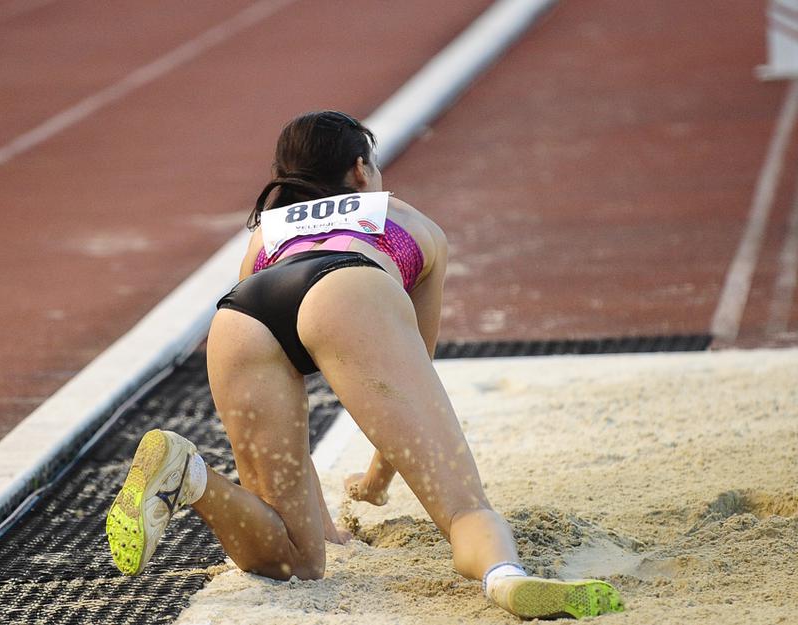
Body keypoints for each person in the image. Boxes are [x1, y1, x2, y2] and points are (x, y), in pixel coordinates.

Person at [106, 111, 624, 620]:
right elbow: (415, 368)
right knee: (465, 510)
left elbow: (291, 431)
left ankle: (192, 476)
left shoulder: (264, 236)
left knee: (296, 561)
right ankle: (506, 578)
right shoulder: (410, 222)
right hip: (348, 286)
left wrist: (325, 530)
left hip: (242, 316)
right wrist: (377, 479)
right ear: (360, 169)